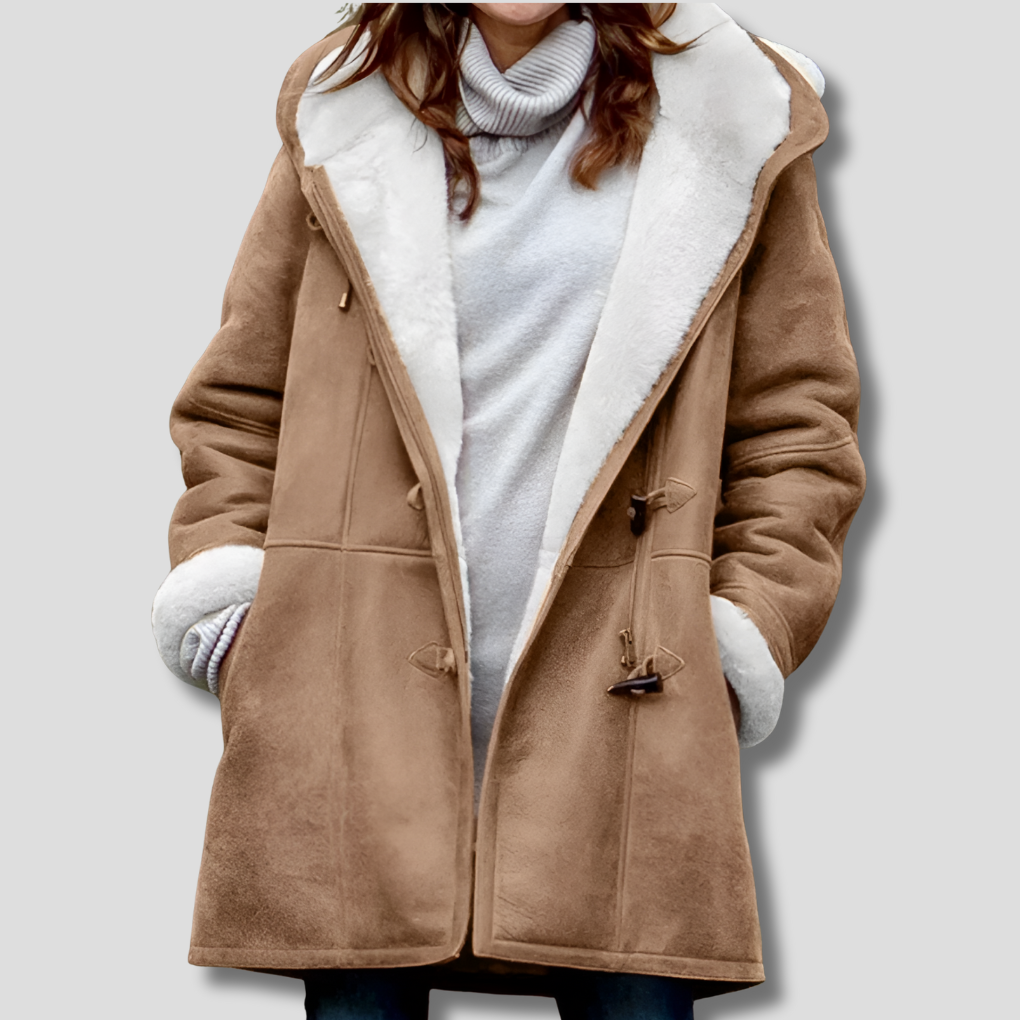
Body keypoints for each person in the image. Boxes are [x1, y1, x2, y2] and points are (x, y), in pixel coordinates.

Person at [151, 3, 865, 1017]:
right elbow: (237, 403)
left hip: (629, 705)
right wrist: (238, 618)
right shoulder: (343, 108)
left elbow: (799, 431)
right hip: (350, 705)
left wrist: (731, 638)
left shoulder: (730, 117)